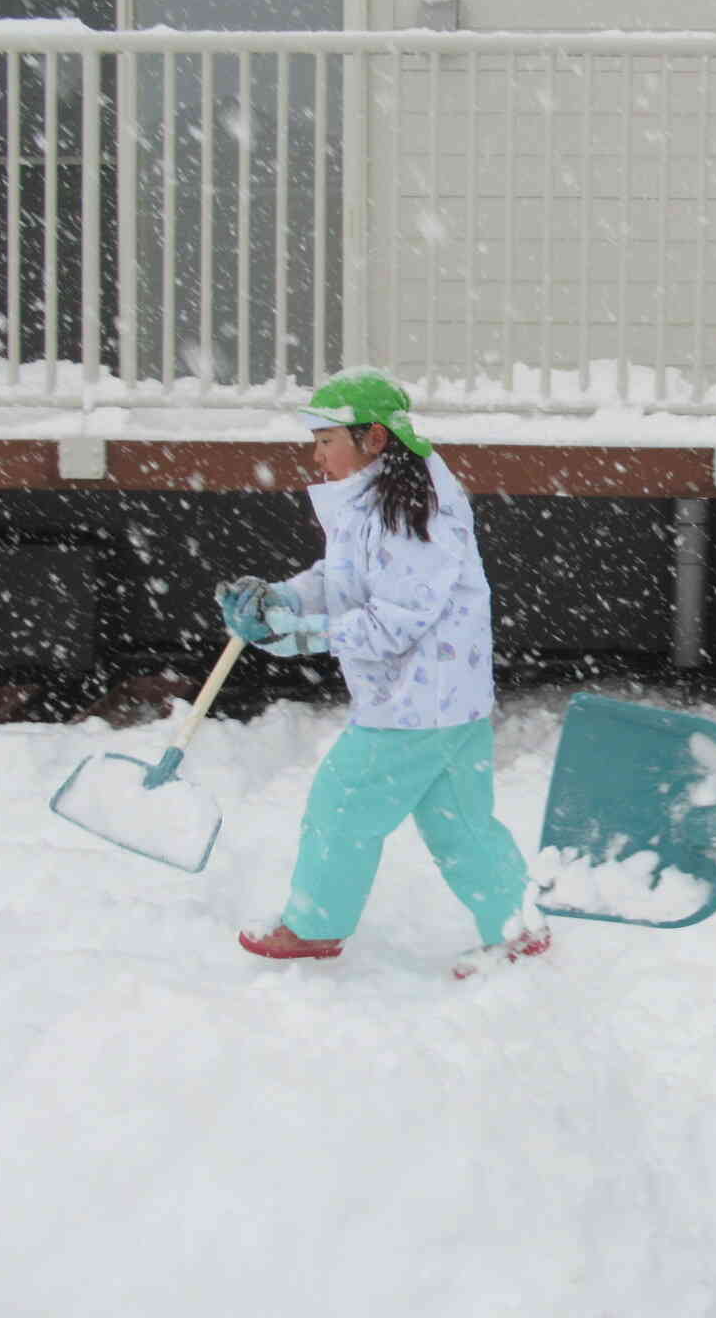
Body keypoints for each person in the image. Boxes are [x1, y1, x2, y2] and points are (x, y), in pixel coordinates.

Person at [217, 368, 550, 980]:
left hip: (413, 704)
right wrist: (281, 598)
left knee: (341, 807)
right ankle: (518, 928)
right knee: (462, 826)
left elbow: (392, 624)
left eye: (326, 441)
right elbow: (341, 578)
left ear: (373, 438)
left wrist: (296, 636)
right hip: (450, 700)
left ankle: (314, 928)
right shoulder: (382, 498)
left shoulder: (414, 513)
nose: (316, 455)